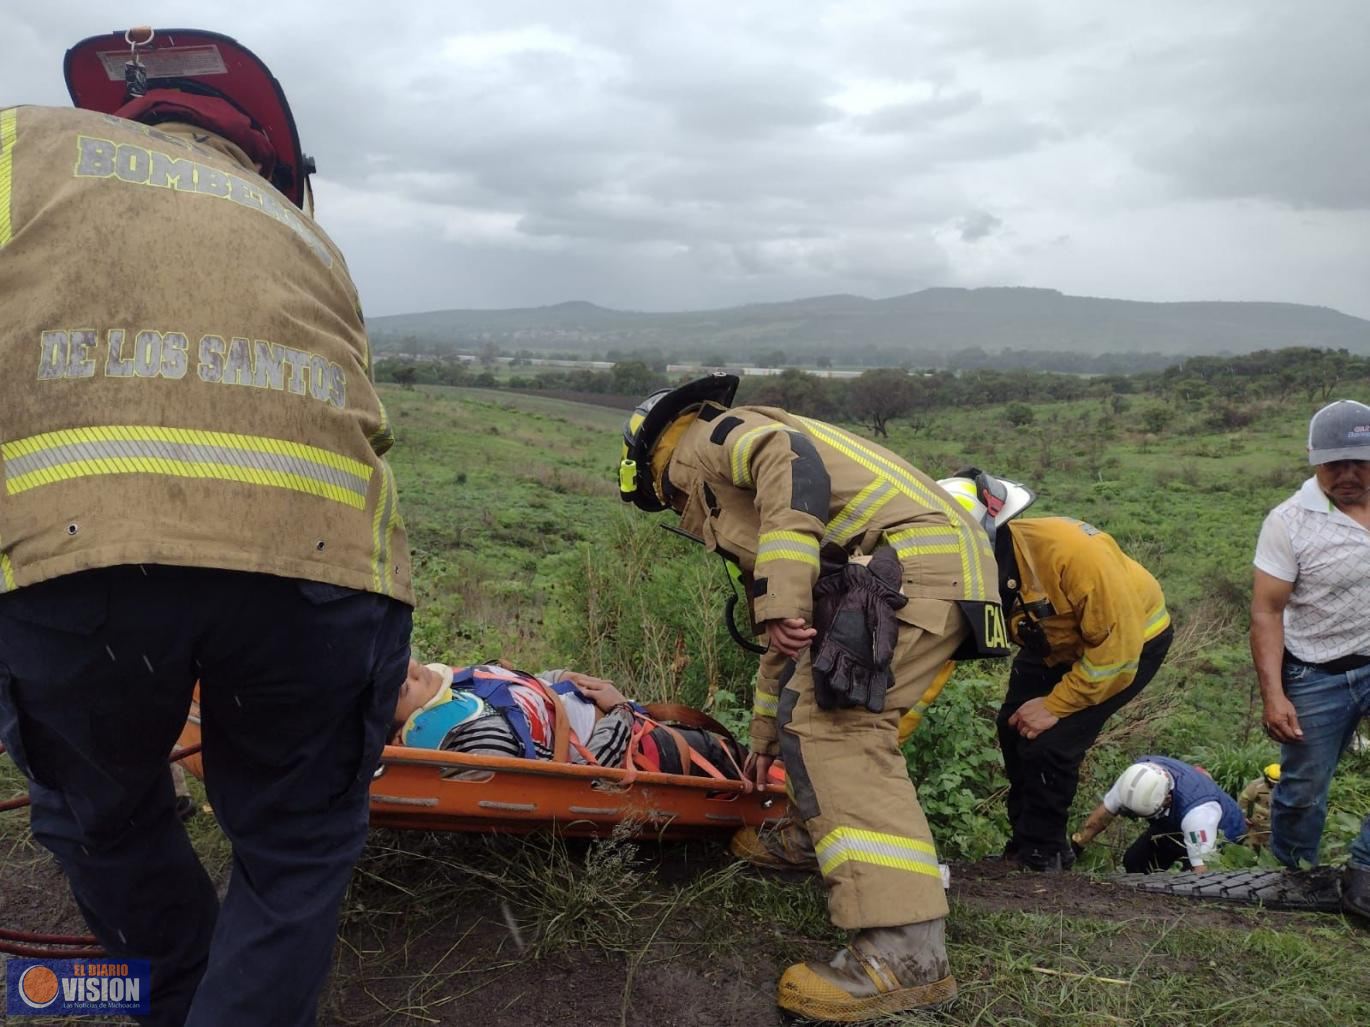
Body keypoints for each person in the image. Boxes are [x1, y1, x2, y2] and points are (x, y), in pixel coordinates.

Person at [0, 28, 412, 1027]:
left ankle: (179, 992)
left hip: (74, 557)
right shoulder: (306, 233)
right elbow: (369, 428)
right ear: (269, 157)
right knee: (297, 846)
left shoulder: (21, 147)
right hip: (322, 569)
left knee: (99, 813)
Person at [619, 374, 1015, 1021]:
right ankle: (817, 838)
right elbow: (790, 637)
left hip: (909, 563)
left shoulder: (705, 442)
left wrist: (780, 590)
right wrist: (764, 735)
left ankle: (906, 950)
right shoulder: (749, 491)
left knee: (842, 730)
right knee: (817, 715)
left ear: (649, 463)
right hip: (934, 562)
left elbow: (788, 460)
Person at [939, 470, 1174, 872]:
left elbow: (1117, 655)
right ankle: (1025, 842)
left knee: (1051, 744)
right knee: (1012, 727)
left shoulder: (1075, 555)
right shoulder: (968, 570)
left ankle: (1044, 856)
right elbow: (939, 655)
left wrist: (1056, 704)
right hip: (1050, 639)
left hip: (1126, 646)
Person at [1251, 399, 1370, 919]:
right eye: (1333, 463)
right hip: (1317, 671)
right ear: (1312, 458)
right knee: (1303, 789)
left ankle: (1364, 873)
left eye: (1360, 462)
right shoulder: (1290, 521)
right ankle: (1296, 879)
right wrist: (1275, 694)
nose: (1347, 475)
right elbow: (1267, 611)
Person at [393, 659, 744, 777]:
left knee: (730, 750)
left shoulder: (455, 690)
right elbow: (588, 776)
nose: (410, 669)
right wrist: (620, 710)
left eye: (398, 662)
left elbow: (510, 689)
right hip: (640, 751)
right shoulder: (480, 739)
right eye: (401, 690)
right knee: (726, 755)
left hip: (630, 725)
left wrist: (561, 677)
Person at [1071, 757, 1247, 873]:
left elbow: (1203, 869)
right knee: (1134, 862)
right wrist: (1076, 846)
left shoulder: (1198, 815)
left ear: (1167, 799)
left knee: (1188, 877)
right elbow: (1101, 817)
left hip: (1221, 831)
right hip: (1171, 822)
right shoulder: (1135, 779)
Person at [1237, 763, 1281, 849]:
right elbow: (1243, 801)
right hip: (1255, 826)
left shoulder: (1287, 787)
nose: (1274, 785)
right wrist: (1245, 816)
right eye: (1272, 783)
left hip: (1275, 828)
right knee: (1249, 848)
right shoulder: (1256, 786)